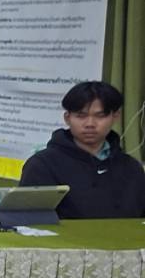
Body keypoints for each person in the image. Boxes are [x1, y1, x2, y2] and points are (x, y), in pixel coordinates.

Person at [20, 80, 145, 219]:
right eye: (81, 115)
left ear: (115, 116)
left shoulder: (132, 168)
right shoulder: (43, 165)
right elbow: (29, 222)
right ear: (67, 118)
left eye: (100, 116)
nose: (90, 124)